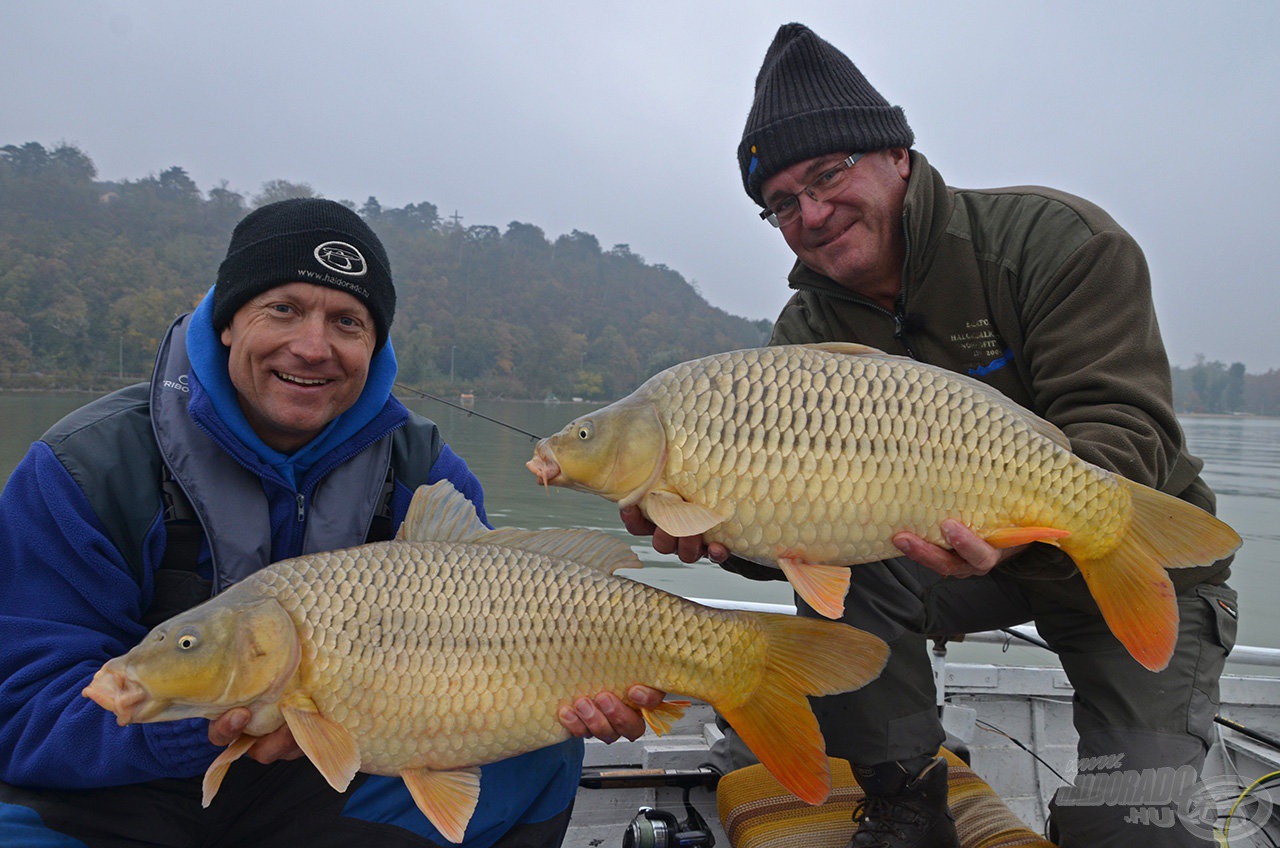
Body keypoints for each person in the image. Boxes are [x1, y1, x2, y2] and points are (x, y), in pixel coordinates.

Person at [607, 22, 1237, 848]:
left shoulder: (1056, 243)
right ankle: (903, 794)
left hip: (1134, 552)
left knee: (1133, 823)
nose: (813, 213)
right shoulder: (806, 331)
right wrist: (726, 533)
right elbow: (801, 535)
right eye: (782, 205)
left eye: (828, 175)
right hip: (946, 560)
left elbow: (1129, 428)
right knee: (849, 561)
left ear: (897, 154)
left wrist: (1026, 527)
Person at [0, 198, 590, 848]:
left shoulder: (424, 473)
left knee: (542, 753)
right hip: (120, 785)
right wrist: (204, 723)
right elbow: (23, 709)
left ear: (374, 344)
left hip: (325, 776)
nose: (313, 348)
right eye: (283, 309)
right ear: (228, 322)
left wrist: (583, 687)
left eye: (347, 322)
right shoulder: (84, 467)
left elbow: (491, 658)